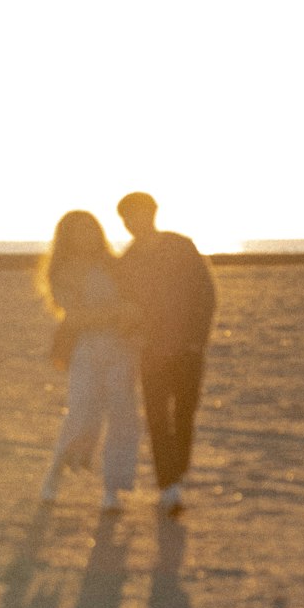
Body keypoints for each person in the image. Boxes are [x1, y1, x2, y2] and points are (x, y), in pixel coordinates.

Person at [116, 192, 216, 514]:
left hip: (188, 349)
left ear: (153, 212)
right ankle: (169, 486)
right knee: (158, 419)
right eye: (128, 217)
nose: (134, 222)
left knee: (185, 415)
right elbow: (123, 308)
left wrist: (197, 339)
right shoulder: (126, 261)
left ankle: (177, 474)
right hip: (151, 354)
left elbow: (206, 293)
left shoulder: (181, 246)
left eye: (139, 213)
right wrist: (137, 339)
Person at [38, 210, 141, 513]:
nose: (86, 236)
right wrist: (116, 312)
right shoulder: (62, 270)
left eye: (90, 229)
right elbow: (76, 315)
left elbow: (135, 306)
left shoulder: (114, 265)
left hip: (121, 347)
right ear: (67, 236)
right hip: (85, 347)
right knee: (81, 413)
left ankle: (113, 489)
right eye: (78, 231)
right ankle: (55, 473)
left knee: (123, 415)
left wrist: (122, 314)